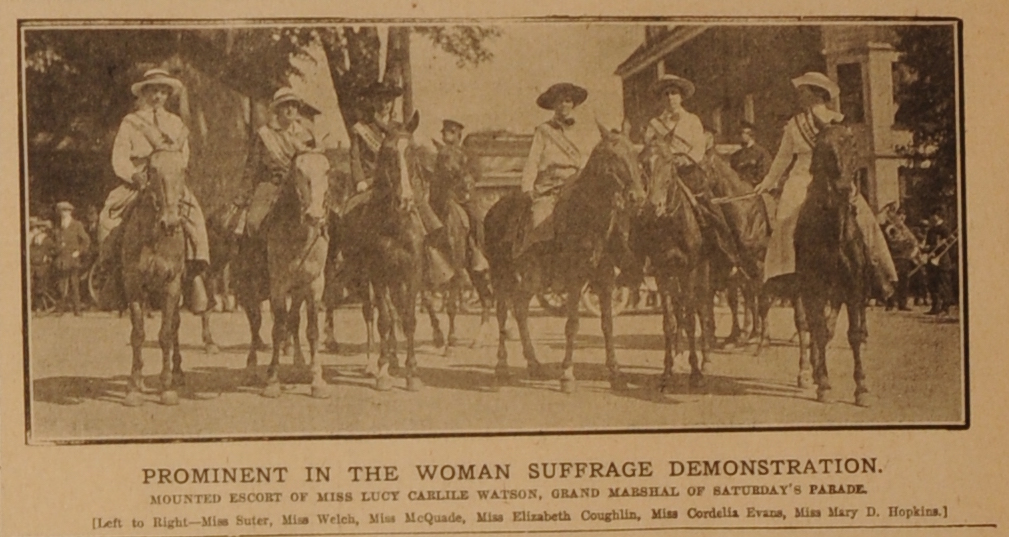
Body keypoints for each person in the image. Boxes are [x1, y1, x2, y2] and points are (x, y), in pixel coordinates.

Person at [754, 71, 898, 295]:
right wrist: (767, 182)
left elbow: (850, 155)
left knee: (864, 218)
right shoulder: (795, 123)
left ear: (816, 94)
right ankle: (785, 273)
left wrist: (847, 179)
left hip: (833, 176)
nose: (799, 96)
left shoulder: (838, 121)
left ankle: (878, 272)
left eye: (803, 92)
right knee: (784, 219)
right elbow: (783, 157)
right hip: (801, 177)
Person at [96, 68, 211, 313]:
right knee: (108, 217)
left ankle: (194, 272)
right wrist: (133, 175)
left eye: (162, 91)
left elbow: (184, 156)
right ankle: (111, 270)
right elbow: (119, 156)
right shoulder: (131, 122)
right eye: (153, 91)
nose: (158, 96)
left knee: (195, 216)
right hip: (137, 180)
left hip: (168, 180)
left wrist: (172, 174)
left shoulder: (176, 123)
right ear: (144, 93)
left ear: (168, 95)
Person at [640, 74, 750, 277]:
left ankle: (726, 253)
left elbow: (699, 149)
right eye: (666, 94)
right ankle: (642, 261)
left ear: (681, 97)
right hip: (663, 174)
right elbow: (650, 148)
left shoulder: (692, 120)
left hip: (688, 172)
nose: (670, 98)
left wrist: (685, 159)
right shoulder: (654, 124)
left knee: (710, 208)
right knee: (644, 211)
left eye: (674, 93)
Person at [232, 87, 321, 236]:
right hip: (271, 186)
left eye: (293, 105)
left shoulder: (306, 136)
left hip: (302, 187)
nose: (290, 109)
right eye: (285, 105)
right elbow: (252, 169)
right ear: (277, 109)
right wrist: (242, 197)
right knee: (253, 222)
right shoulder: (264, 135)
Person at [516, 82, 589, 257]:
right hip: (550, 187)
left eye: (568, 101)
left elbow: (587, 156)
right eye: (559, 101)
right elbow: (533, 160)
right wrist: (527, 187)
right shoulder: (544, 130)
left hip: (575, 184)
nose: (564, 105)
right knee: (540, 222)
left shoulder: (582, 130)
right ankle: (539, 265)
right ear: (553, 105)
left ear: (573, 104)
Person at [433, 119, 488, 272]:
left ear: (457, 135)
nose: (445, 134)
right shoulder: (441, 153)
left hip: (464, 197)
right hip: (447, 196)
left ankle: (479, 252)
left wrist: (466, 177)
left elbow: (476, 173)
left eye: (449, 131)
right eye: (444, 131)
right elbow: (436, 177)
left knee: (476, 219)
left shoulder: (468, 153)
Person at [52, 201, 91, 316]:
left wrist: (79, 252)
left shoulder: (77, 225)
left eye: (65, 211)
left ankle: (77, 310)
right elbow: (56, 242)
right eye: (61, 211)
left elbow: (86, 240)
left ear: (70, 212)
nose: (63, 214)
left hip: (73, 259)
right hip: (61, 259)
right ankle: (60, 309)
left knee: (74, 285)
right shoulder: (58, 226)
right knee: (61, 285)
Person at [880, 203, 919, 311]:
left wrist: (912, 248)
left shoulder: (905, 228)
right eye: (900, 214)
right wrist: (903, 241)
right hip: (893, 256)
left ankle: (903, 303)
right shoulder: (890, 227)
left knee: (904, 280)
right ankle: (891, 303)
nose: (902, 217)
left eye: (904, 215)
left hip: (904, 257)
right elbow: (892, 241)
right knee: (892, 280)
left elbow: (913, 241)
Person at [923, 206, 955, 315]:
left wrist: (931, 248)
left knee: (944, 284)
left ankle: (945, 308)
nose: (931, 218)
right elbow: (928, 244)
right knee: (932, 284)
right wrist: (926, 249)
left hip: (942, 260)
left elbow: (947, 245)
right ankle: (935, 307)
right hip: (932, 260)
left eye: (932, 216)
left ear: (937, 216)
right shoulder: (931, 230)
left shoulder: (945, 229)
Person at [730, 121, 772, 187]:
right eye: (741, 133)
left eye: (744, 133)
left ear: (752, 134)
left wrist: (751, 183)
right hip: (738, 190)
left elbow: (764, 173)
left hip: (755, 189)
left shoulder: (761, 153)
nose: (742, 135)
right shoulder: (736, 155)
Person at [29, 216, 55, 312]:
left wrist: (48, 256)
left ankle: (39, 307)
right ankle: (33, 305)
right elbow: (31, 251)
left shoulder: (47, 240)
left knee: (40, 286)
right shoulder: (34, 241)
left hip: (43, 267)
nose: (33, 231)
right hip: (34, 266)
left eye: (35, 229)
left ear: (40, 230)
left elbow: (54, 250)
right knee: (33, 285)